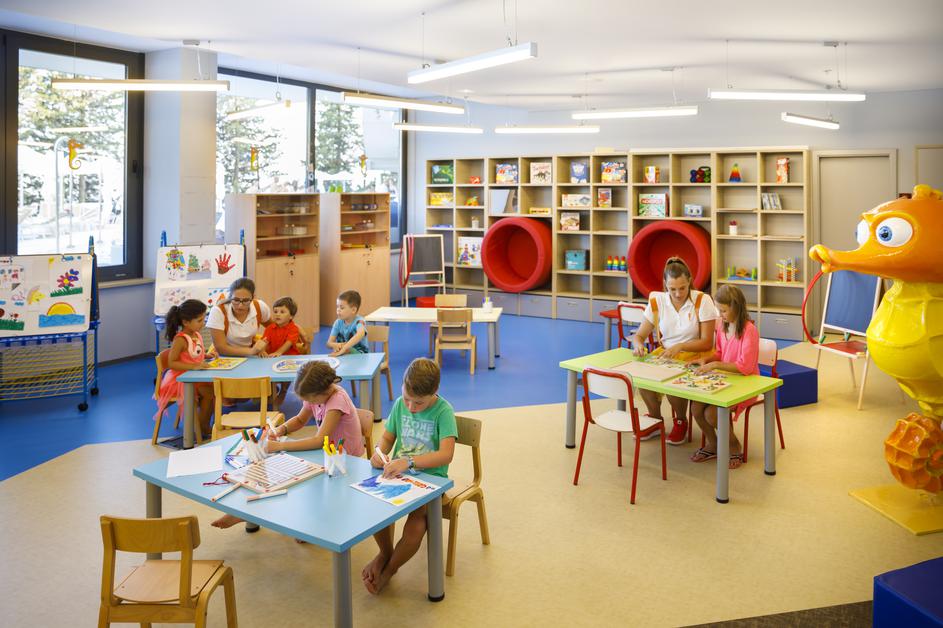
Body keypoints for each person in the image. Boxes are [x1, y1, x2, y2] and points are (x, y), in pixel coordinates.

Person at [211, 360, 365, 530]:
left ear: (324, 391)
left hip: (344, 460)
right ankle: (249, 512)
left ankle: (310, 525)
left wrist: (279, 446)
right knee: (275, 472)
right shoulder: (318, 394)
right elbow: (300, 419)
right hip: (325, 454)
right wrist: (280, 430)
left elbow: (318, 440)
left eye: (310, 400)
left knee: (296, 482)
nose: (309, 403)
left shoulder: (337, 400)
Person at [362, 358, 457, 594]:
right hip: (397, 474)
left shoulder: (444, 411)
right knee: (376, 510)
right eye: (407, 399)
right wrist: (379, 453)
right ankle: (385, 553)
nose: (411, 407)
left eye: (419, 403)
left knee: (416, 525)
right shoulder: (399, 405)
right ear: (403, 386)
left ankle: (389, 569)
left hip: (432, 481)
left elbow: (446, 455)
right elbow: (387, 438)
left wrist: (410, 462)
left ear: (434, 392)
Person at [630, 257, 718, 445]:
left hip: (696, 355)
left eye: (682, 288)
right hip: (667, 354)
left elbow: (706, 343)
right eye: (672, 289)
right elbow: (639, 335)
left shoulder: (702, 300)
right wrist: (638, 345)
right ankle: (655, 419)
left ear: (689, 281)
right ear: (665, 284)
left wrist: (680, 346)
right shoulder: (658, 301)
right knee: (643, 379)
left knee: (672, 382)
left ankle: (680, 420)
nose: (678, 294)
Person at [687, 285, 759, 469]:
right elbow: (720, 353)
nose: (720, 314)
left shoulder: (749, 330)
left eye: (724, 310)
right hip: (724, 380)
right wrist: (705, 360)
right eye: (718, 310)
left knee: (712, 414)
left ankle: (734, 445)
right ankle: (714, 444)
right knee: (696, 408)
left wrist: (715, 365)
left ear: (736, 307)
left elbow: (745, 367)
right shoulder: (722, 326)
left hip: (746, 384)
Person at [155, 299, 216, 438]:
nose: (203, 323)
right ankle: (201, 427)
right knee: (209, 393)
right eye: (199, 320)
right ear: (186, 322)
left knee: (214, 390)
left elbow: (193, 353)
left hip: (195, 376)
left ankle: (204, 424)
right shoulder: (180, 340)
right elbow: (172, 363)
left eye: (204, 319)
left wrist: (207, 355)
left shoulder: (196, 334)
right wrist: (194, 366)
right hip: (181, 380)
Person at [206, 278, 271, 357]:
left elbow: (274, 329)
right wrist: (251, 351)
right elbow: (221, 348)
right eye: (236, 300)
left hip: (250, 355)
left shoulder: (259, 307)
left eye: (246, 301)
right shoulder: (218, 311)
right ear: (230, 297)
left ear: (253, 298)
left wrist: (263, 345)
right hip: (223, 356)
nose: (240, 305)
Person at [328, 290, 369, 357]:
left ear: (353, 310)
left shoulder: (360, 321)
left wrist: (344, 348)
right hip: (344, 355)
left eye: (342, 308)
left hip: (361, 356)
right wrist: (335, 345)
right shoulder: (337, 323)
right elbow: (328, 343)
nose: (338, 310)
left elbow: (361, 333)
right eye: (337, 307)